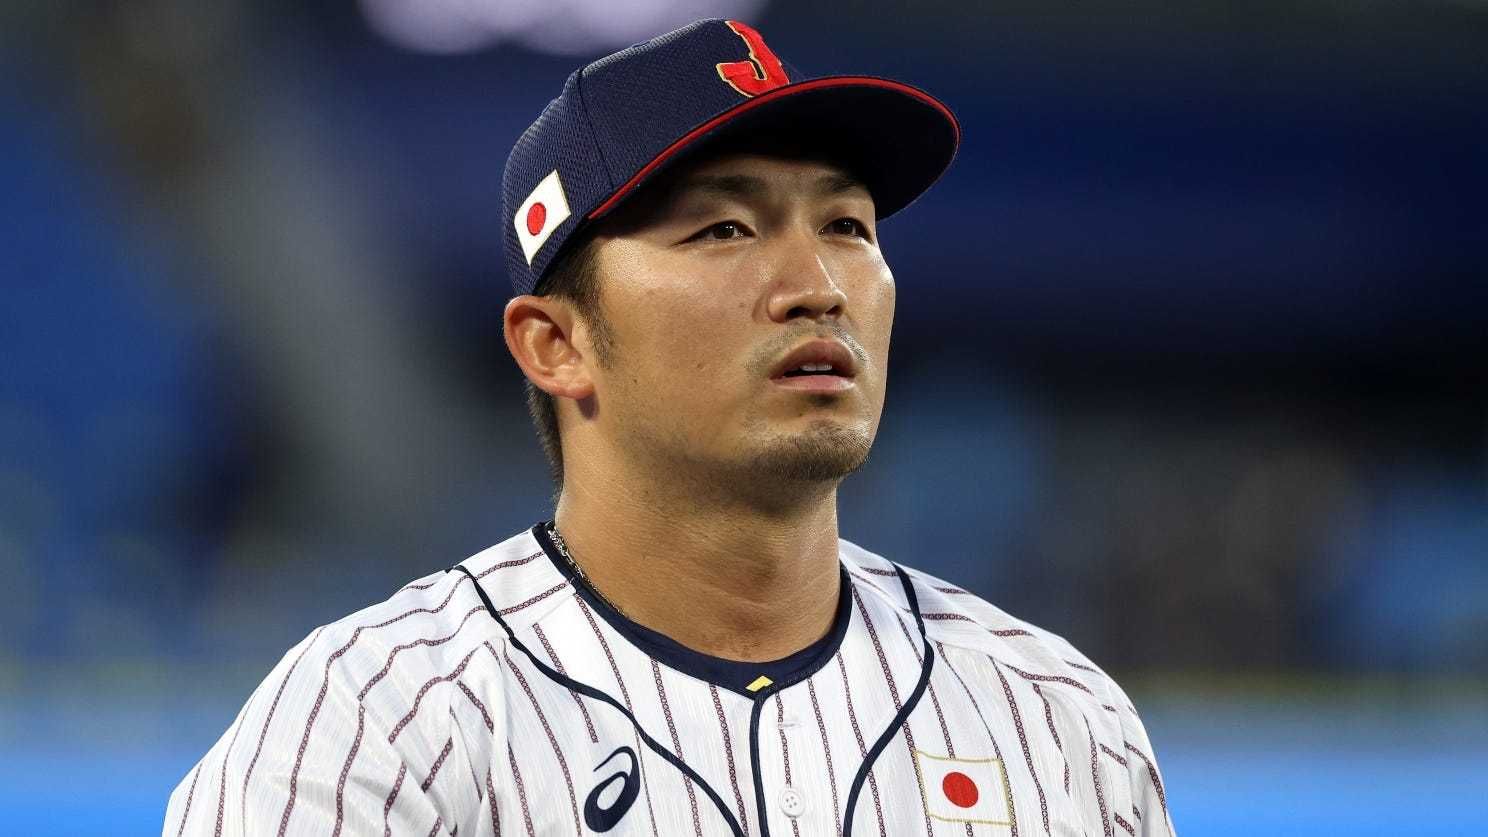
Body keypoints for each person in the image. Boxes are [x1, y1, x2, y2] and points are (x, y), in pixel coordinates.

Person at [166, 18, 1173, 836]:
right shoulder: (380, 728)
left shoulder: (1057, 721)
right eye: (723, 229)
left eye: (847, 227)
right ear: (556, 343)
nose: (817, 286)